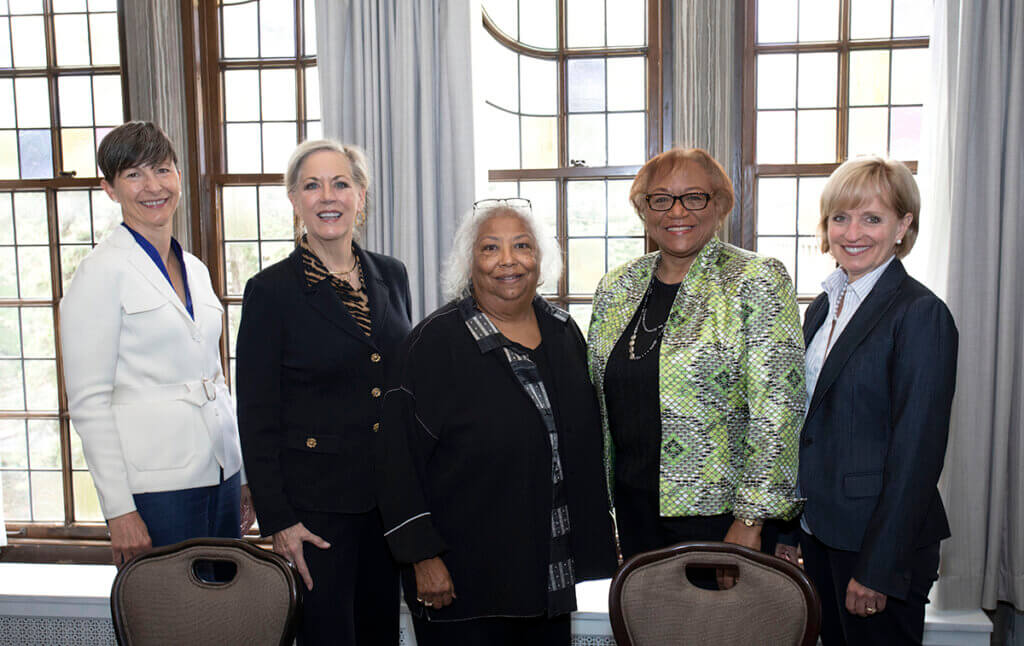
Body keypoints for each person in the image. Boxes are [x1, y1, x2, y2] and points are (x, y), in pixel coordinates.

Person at [376, 199, 617, 646]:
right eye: (490, 249)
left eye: (522, 246)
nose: (508, 260)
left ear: (541, 260)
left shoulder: (565, 334)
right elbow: (396, 463)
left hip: (545, 577)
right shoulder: (432, 344)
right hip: (462, 582)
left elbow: (583, 446)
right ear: (470, 265)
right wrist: (422, 556)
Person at [587, 147, 805, 564]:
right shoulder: (617, 287)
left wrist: (751, 519)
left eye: (694, 197)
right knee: (647, 629)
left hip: (721, 518)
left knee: (719, 632)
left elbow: (780, 406)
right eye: (661, 198)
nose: (677, 211)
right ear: (644, 210)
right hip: (633, 511)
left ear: (719, 205)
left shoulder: (755, 279)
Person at [775, 156, 958, 645]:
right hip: (820, 533)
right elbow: (807, 425)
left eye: (872, 218)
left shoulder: (921, 314)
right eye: (841, 217)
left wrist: (878, 568)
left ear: (903, 226)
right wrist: (791, 530)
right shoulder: (822, 305)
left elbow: (917, 454)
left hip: (878, 547)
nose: (852, 232)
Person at [235, 139, 411, 645]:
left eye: (340, 183)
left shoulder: (392, 275)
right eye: (312, 185)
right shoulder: (270, 292)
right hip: (315, 513)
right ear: (294, 200)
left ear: (361, 195)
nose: (327, 196)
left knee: (380, 634)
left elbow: (397, 384)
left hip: (387, 505)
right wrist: (280, 521)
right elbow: (257, 415)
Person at [61, 121, 254, 567]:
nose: (153, 187)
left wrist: (240, 471)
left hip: (220, 474)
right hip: (154, 489)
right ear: (110, 189)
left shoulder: (196, 269)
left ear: (179, 178)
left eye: (163, 170)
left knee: (225, 615)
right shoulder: (99, 272)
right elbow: (88, 403)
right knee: (171, 620)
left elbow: (216, 377)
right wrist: (118, 510)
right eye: (134, 175)